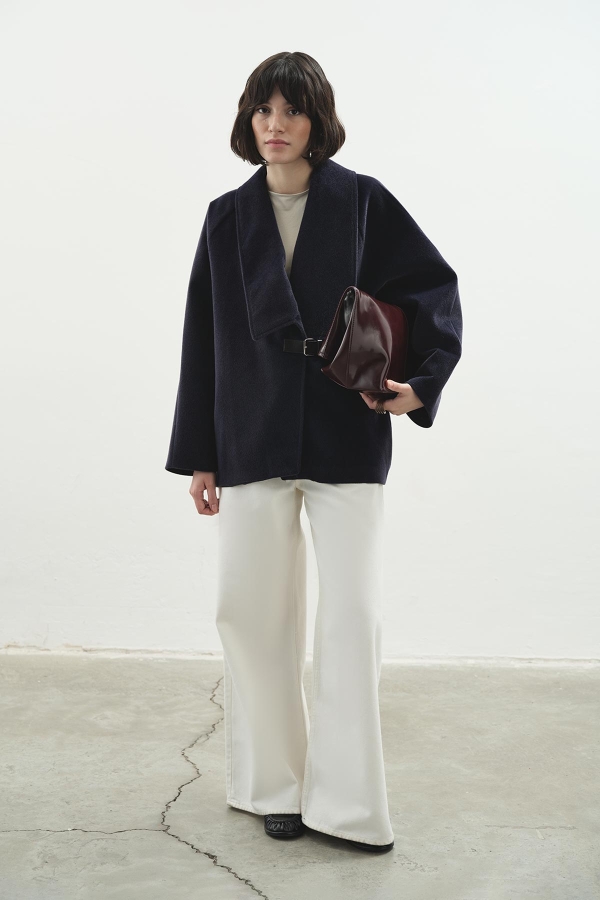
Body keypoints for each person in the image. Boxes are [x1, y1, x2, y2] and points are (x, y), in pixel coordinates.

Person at [165, 51, 463, 853]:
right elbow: (203, 339)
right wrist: (200, 454)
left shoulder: (362, 201)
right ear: (248, 119)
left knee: (352, 618)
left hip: (346, 432)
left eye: (291, 110)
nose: (276, 125)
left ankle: (349, 805)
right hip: (250, 434)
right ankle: (273, 787)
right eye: (263, 110)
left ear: (316, 119)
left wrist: (421, 384)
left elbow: (433, 288)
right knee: (249, 612)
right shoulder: (227, 217)